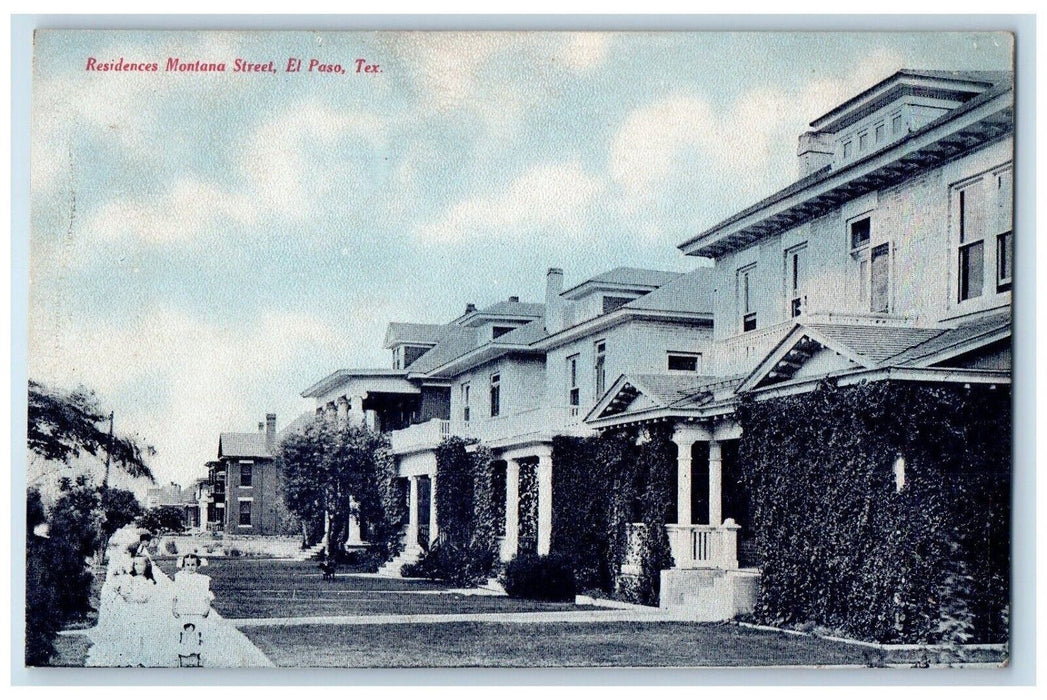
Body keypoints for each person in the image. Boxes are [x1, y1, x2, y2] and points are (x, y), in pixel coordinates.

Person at [171, 553, 214, 666]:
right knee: (183, 631)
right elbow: (175, 594)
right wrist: (174, 608)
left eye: (193, 565)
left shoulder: (202, 579)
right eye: (188, 564)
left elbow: (206, 595)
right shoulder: (179, 577)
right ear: (183, 565)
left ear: (198, 566)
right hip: (183, 608)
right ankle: (182, 654)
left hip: (197, 609)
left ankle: (198, 654)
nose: (190, 567)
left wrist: (207, 608)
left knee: (197, 631)